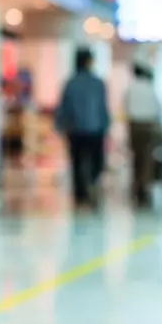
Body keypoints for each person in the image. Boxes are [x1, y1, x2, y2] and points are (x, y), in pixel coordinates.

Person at [55, 48, 110, 210]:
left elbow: (64, 108)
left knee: (77, 162)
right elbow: (103, 108)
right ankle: (92, 185)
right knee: (95, 161)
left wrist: (60, 126)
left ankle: (80, 196)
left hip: (75, 130)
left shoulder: (70, 83)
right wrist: (106, 126)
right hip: (95, 130)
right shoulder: (98, 83)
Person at [124, 62, 162, 207]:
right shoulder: (150, 88)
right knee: (147, 159)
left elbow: (126, 108)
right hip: (149, 126)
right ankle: (145, 187)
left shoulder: (131, 89)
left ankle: (136, 186)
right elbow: (158, 109)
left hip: (135, 126)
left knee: (136, 158)